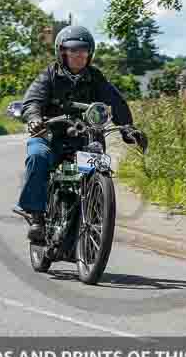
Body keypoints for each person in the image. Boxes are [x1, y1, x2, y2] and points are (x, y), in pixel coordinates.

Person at [13, 25, 147, 243]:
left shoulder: (96, 78)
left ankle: (93, 215)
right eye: (72, 50)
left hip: (85, 140)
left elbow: (117, 103)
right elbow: (33, 101)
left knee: (99, 168)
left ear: (90, 53)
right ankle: (36, 215)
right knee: (37, 156)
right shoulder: (49, 75)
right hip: (49, 136)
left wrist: (128, 129)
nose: (78, 55)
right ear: (62, 52)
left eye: (83, 51)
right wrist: (35, 118)